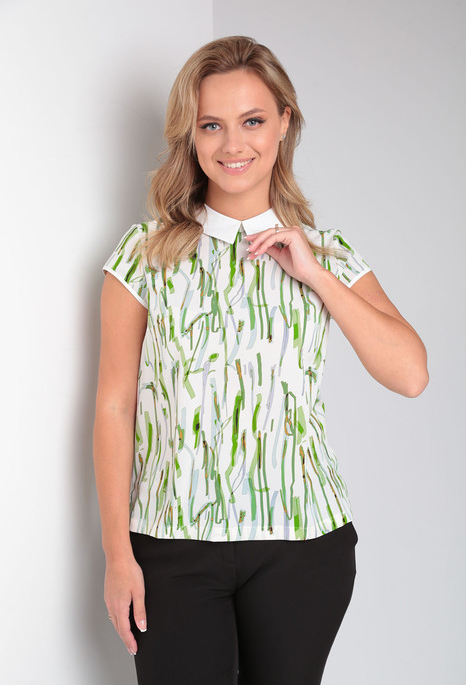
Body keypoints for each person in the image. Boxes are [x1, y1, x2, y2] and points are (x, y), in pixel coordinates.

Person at [93, 35, 429, 685]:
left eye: (251, 121)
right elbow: (114, 404)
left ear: (284, 123)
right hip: (171, 547)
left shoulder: (327, 254)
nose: (232, 144)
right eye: (211, 125)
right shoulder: (144, 254)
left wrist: (314, 274)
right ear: (190, 135)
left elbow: (411, 374)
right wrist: (116, 553)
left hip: (303, 547)